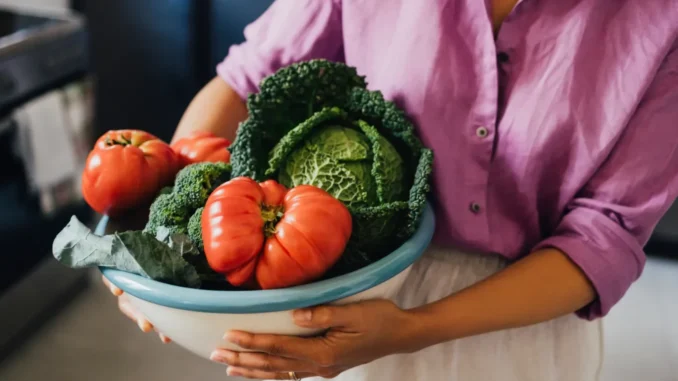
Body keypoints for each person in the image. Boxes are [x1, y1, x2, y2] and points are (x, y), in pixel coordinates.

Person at [102, 0, 678, 380]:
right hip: (349, 282)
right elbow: (244, 83)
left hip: (522, 318)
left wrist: (413, 330)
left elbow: (605, 237)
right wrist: (171, 254)